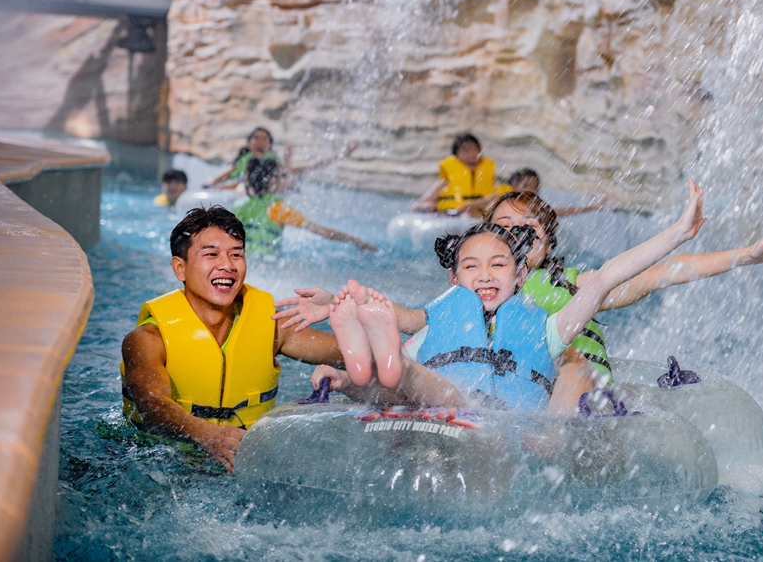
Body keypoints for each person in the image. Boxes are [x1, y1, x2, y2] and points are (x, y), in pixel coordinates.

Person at [277, 189, 763, 386]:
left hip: (557, 378)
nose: (510, 241)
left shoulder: (569, 286)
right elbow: (415, 317)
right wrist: (340, 303)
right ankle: (360, 368)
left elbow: (662, 271)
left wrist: (746, 255)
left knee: (570, 360)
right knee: (419, 348)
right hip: (480, 379)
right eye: (500, 231)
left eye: (525, 234)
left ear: (545, 247)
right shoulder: (466, 295)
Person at [285, 179, 706, 413]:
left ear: (522, 275)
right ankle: (369, 366)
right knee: (413, 380)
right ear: (453, 276)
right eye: (471, 267)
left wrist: (678, 232)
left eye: (498, 265)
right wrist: (341, 372)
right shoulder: (445, 317)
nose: (484, 275)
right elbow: (404, 320)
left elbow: (606, 277)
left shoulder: (545, 329)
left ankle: (385, 362)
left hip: (503, 416)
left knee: (432, 387)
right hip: (444, 400)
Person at [120, 207, 348, 472]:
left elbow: (349, 355)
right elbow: (150, 403)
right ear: (180, 268)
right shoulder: (147, 339)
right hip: (156, 464)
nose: (227, 265)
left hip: (241, 464)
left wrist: (346, 312)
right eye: (211, 254)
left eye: (236, 254)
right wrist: (206, 435)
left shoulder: (272, 327)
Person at [232, 158, 377, 256]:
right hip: (268, 261)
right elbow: (320, 231)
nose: (285, 181)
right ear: (272, 181)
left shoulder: (239, 205)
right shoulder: (277, 208)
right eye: (282, 176)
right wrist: (355, 240)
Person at [409, 133, 511, 215]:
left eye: (475, 149)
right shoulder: (444, 184)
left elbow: (503, 197)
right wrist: (426, 206)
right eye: (465, 150)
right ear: (455, 157)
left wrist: (471, 205)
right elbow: (415, 206)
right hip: (452, 223)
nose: (472, 155)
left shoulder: (493, 182)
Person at [507, 168, 607, 217]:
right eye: (526, 186)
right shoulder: (502, 201)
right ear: (514, 185)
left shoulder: (535, 211)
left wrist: (593, 206)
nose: (530, 190)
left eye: (534, 187)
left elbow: (565, 211)